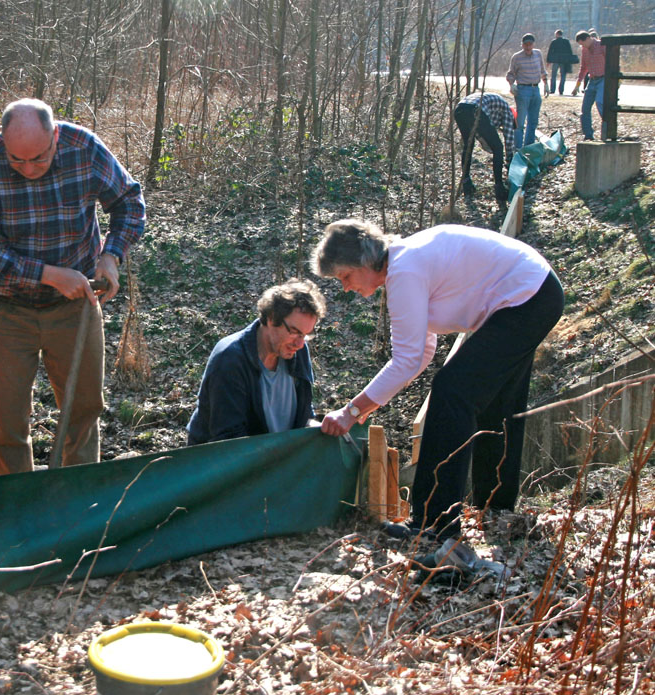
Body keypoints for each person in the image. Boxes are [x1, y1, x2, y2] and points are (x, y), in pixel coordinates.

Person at [313, 220, 563, 540]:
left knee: (451, 393)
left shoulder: (405, 269)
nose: (345, 287)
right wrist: (366, 405)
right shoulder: (408, 264)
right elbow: (419, 354)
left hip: (528, 295)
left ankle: (433, 522)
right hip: (536, 292)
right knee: (495, 404)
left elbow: (406, 360)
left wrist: (351, 412)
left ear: (363, 261)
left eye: (344, 276)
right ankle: (496, 512)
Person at [0, 99, 146, 476]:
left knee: (83, 411)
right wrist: (49, 274)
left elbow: (129, 201)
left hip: (76, 306)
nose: (28, 169)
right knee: (7, 419)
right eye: (18, 160)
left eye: (39, 159)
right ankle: (19, 507)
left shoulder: (84, 148)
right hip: (7, 310)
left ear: (55, 137)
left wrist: (110, 256)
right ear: (3, 141)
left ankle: (77, 501)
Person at [187, 279, 326, 446]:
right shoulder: (230, 359)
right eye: (295, 332)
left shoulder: (299, 351)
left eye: (305, 335)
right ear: (271, 318)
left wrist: (323, 430)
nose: (300, 343)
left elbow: (304, 415)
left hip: (280, 459)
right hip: (221, 465)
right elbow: (228, 441)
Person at [454, 92, 515, 205]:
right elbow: (508, 138)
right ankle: (499, 187)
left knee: (468, 145)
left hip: (459, 109)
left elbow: (481, 135)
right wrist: (510, 160)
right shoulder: (507, 112)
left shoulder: (494, 109)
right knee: (498, 147)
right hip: (475, 109)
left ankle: (466, 182)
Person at [506, 33, 550, 150]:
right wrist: (511, 85)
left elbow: (542, 70)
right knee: (520, 122)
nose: (528, 47)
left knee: (533, 121)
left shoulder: (538, 54)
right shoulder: (517, 57)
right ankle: (518, 148)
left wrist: (546, 84)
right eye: (526, 44)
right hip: (522, 90)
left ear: (533, 44)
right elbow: (511, 73)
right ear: (522, 45)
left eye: (530, 44)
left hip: (536, 89)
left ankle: (529, 147)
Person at [572, 30, 607, 141]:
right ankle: (588, 134)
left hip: (603, 79)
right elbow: (583, 68)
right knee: (585, 108)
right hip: (592, 80)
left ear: (588, 38)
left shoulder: (602, 45)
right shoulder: (585, 50)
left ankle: (608, 129)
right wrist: (577, 85)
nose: (583, 46)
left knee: (600, 102)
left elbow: (611, 62)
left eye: (583, 43)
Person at [546, 29, 575, 96]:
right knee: (563, 76)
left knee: (553, 76)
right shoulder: (566, 41)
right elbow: (570, 51)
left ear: (557, 34)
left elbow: (550, 52)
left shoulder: (554, 42)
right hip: (564, 61)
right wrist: (569, 60)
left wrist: (548, 61)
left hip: (555, 61)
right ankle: (561, 90)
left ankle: (552, 90)